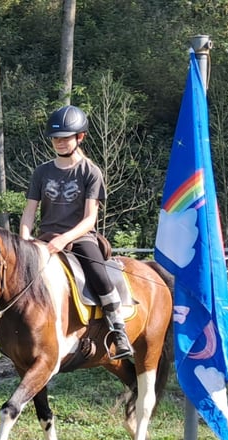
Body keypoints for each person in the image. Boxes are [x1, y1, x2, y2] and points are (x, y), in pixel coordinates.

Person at [20, 104, 134, 359]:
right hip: (45, 238)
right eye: (56, 139)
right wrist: (25, 238)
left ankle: (118, 331)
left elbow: (90, 217)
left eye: (65, 138)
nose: (59, 143)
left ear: (80, 137)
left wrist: (65, 238)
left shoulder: (90, 172)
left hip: (80, 237)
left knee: (99, 273)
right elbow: (29, 211)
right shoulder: (42, 172)